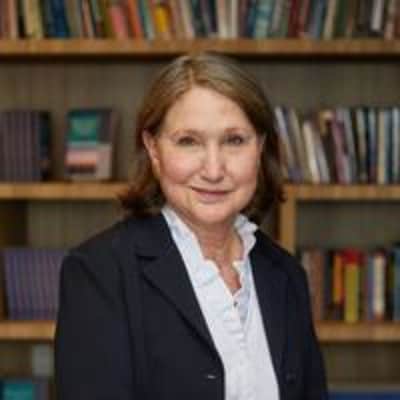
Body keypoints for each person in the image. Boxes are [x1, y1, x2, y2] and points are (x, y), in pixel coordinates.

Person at [55, 52, 328, 400]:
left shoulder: (287, 274)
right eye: (188, 141)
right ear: (154, 150)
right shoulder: (98, 273)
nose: (213, 170)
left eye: (234, 140)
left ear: (260, 148)